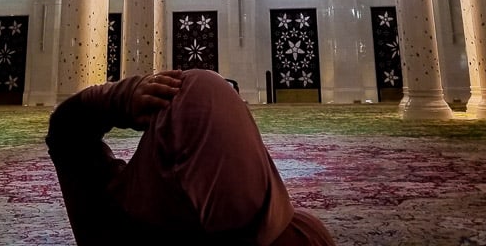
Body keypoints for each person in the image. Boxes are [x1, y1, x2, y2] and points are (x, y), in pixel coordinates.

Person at [46, 67, 336, 246]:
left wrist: (121, 98)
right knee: (198, 91)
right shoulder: (302, 236)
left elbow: (65, 132)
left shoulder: (112, 222)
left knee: (199, 91)